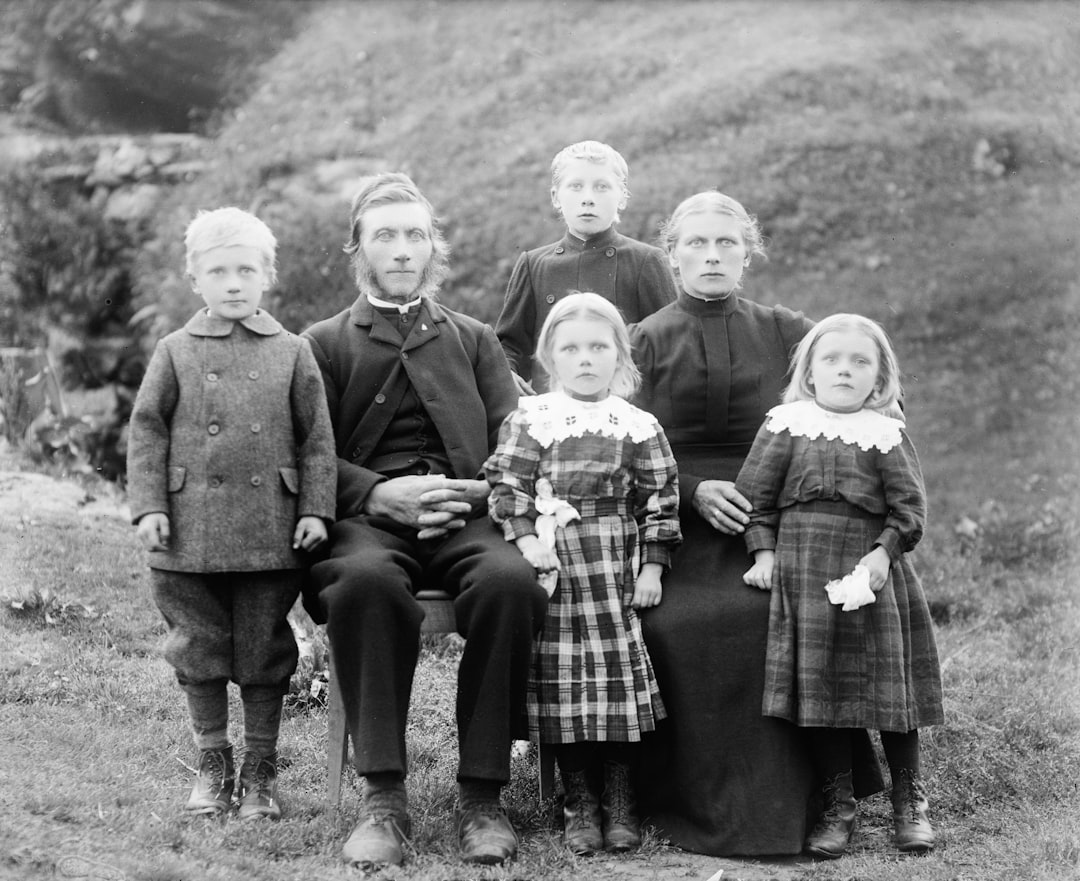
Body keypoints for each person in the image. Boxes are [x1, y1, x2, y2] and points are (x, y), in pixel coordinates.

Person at [301, 172, 548, 869]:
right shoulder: (322, 343)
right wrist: (379, 494)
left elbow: (517, 443)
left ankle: (483, 797)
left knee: (511, 582)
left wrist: (471, 492)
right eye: (385, 236)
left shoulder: (472, 339)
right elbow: (308, 452)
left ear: (433, 247)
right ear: (359, 249)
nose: (402, 249)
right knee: (363, 583)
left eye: (415, 234)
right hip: (366, 521)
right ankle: (383, 799)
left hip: (468, 516)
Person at [629, 190, 884, 855]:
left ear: (748, 253)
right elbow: (621, 441)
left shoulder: (788, 330)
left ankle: (823, 796)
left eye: (727, 244)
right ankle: (670, 798)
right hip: (674, 518)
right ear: (672, 255)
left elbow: (855, 405)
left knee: (772, 612)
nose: (712, 256)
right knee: (680, 621)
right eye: (697, 244)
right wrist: (691, 490)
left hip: (780, 515)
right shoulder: (644, 339)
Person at [127, 207, 337, 820]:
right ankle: (213, 762)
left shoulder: (292, 351)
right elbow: (147, 431)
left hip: (270, 526)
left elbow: (316, 440)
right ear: (195, 279)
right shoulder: (174, 351)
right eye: (218, 272)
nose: (234, 284)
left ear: (267, 275)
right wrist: (149, 506)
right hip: (189, 527)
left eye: (246, 270)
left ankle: (261, 768)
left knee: (264, 648)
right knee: (198, 645)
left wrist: (316, 510)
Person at [736, 313, 943, 858]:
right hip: (803, 569)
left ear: (880, 377)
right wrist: (763, 552)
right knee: (820, 684)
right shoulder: (785, 425)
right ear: (809, 372)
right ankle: (838, 803)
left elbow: (910, 509)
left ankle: (909, 800)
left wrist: (883, 552)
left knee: (889, 685)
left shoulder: (886, 433)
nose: (844, 370)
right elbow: (755, 500)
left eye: (859, 362)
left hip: (870, 573)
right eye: (831, 360)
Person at [484, 292, 681, 855]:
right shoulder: (532, 419)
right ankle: (579, 800)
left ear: (620, 355)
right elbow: (508, 485)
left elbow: (661, 499)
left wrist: (652, 567)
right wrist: (528, 542)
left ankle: (621, 797)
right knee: (564, 678)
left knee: (616, 676)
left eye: (599, 347)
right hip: (556, 562)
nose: (586, 359)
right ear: (550, 357)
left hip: (615, 558)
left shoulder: (636, 425)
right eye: (571, 349)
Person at [495, 140, 676, 390]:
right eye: (576, 187)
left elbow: (670, 345)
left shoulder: (646, 261)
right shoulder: (534, 264)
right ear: (556, 197)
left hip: (624, 404)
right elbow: (510, 345)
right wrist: (508, 373)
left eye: (602, 187)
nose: (588, 199)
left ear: (622, 197)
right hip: (553, 405)